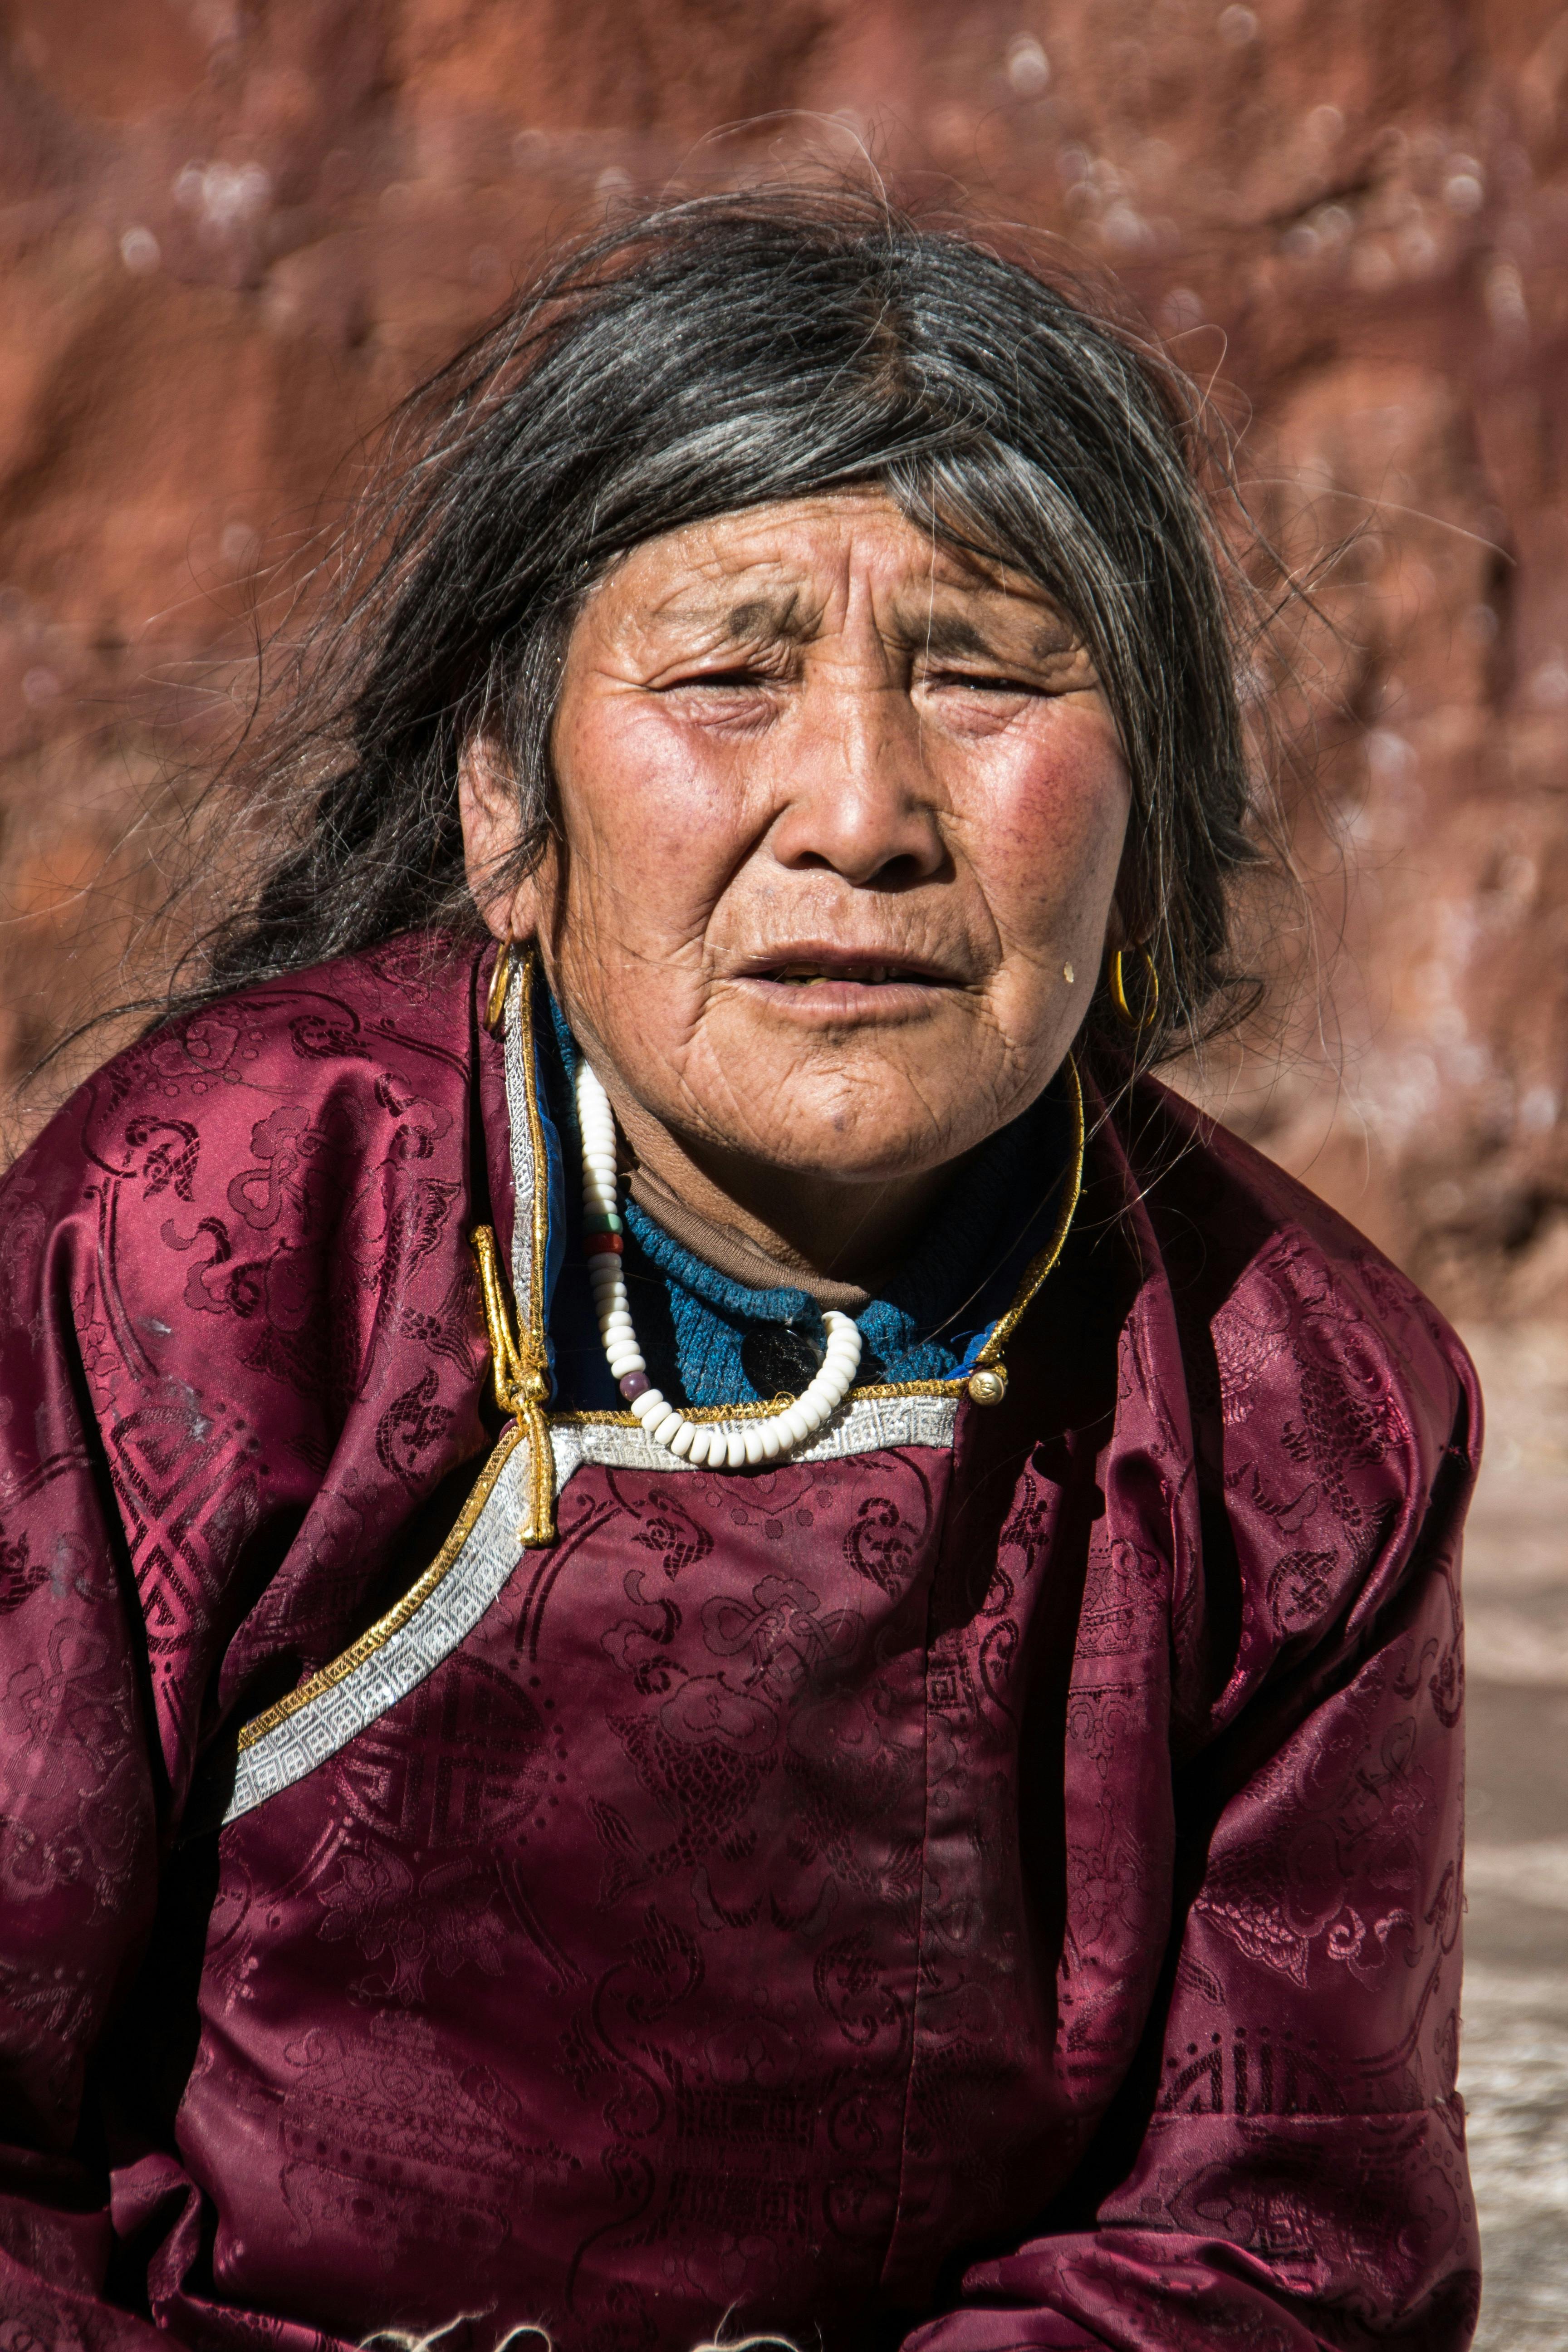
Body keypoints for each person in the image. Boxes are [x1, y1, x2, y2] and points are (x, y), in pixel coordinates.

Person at [0, 190, 1479, 2352]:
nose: (862, 811)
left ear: (1144, 819)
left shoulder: (1306, 1417)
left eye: (985, 675)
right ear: (506, 806)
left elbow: (1283, 2253)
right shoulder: (214, 1235)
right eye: (728, 678)